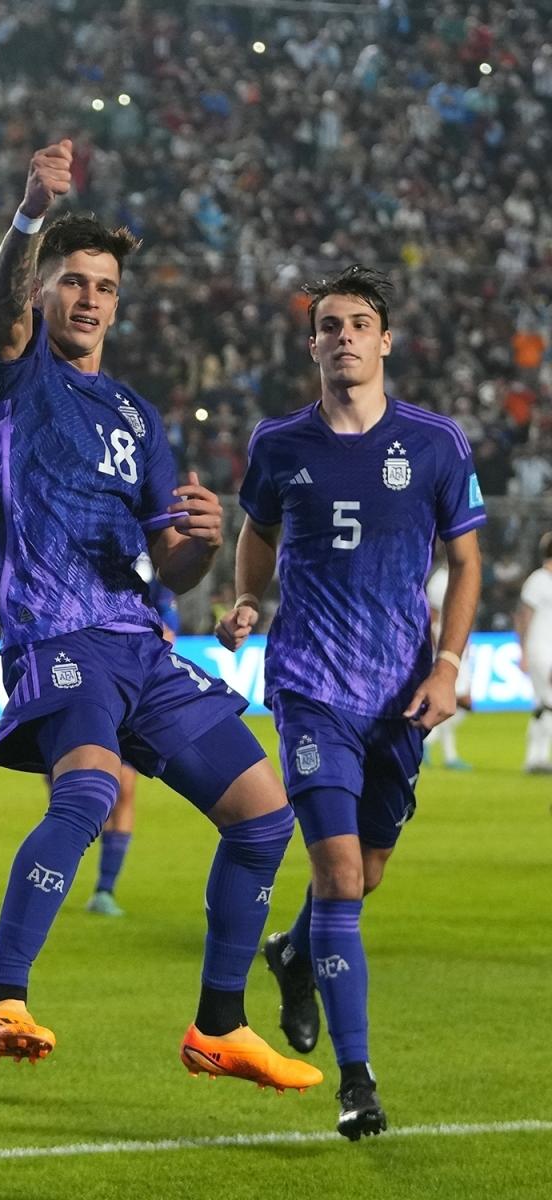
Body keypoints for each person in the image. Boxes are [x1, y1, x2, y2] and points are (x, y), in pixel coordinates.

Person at [0, 138, 323, 1098]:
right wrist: (29, 216)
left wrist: (201, 536)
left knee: (263, 814)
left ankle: (219, 1025)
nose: (85, 298)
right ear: (43, 293)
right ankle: (3, 997)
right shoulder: (18, 377)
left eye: (103, 286)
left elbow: (177, 563)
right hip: (58, 632)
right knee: (82, 797)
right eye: (70, 282)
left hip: (141, 640)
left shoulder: (136, 416)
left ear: (119, 302)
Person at [217, 265, 484, 1139]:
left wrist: (447, 666)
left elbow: (469, 561)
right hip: (310, 688)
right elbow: (256, 533)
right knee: (336, 872)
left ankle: (295, 953)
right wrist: (248, 599)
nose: (343, 337)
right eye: (328, 325)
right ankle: (357, 1080)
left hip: (400, 693)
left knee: (363, 876)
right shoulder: (280, 444)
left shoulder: (436, 444)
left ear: (385, 339)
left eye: (359, 323)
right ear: (314, 345)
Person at [85, 552, 180, 917]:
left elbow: (169, 630)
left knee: (124, 789)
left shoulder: (154, 576)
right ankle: (52, 876)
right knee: (81, 795)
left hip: (130, 689)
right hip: (85, 682)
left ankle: (104, 889)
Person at [423, 558, 473, 769]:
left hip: (459, 648)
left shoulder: (459, 576)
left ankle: (449, 754)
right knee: (462, 702)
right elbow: (433, 619)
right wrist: (439, 652)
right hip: (448, 651)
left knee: (454, 705)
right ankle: (426, 741)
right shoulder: (440, 581)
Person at [515, 531, 552, 773]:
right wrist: (524, 652)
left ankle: (535, 758)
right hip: (540, 651)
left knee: (542, 704)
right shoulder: (537, 580)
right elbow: (523, 619)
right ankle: (538, 758)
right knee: (549, 703)